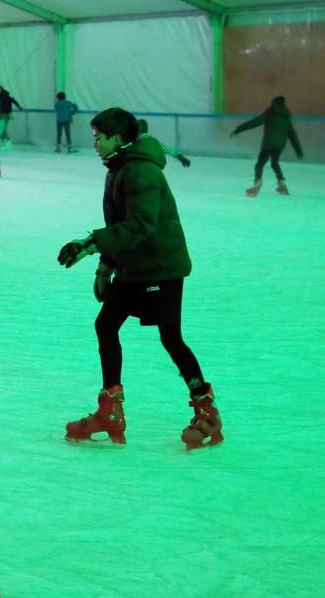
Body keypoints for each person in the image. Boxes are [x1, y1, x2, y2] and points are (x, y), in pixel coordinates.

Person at [56, 107, 221, 451]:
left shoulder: (141, 172)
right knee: (106, 325)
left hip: (161, 267)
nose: (95, 143)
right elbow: (122, 223)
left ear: (118, 137)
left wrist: (89, 244)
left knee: (171, 338)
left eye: (99, 137)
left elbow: (141, 224)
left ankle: (207, 410)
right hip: (135, 266)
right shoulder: (119, 169)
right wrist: (106, 264)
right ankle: (110, 410)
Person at [230, 95, 303, 197]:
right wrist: (299, 151)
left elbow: (255, 122)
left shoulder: (270, 113)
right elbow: (293, 136)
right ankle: (282, 185)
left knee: (259, 165)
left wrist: (238, 130)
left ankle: (256, 186)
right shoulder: (286, 117)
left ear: (274, 103)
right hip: (280, 146)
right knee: (275, 163)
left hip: (268, 144)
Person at [0, 83, 20, 149]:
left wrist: (10, 112)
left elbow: (7, 104)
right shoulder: (4, 94)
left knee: (1, 129)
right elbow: (12, 100)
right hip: (4, 114)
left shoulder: (3, 95)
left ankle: (8, 143)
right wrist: (18, 106)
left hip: (4, 114)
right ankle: (6, 143)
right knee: (0, 129)